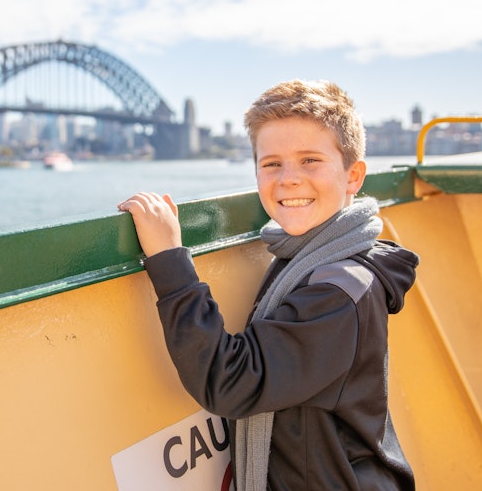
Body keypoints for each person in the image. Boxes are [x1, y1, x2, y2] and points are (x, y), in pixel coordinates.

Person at [117, 79, 418, 490]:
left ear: (353, 176)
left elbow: (231, 382)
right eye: (271, 163)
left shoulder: (341, 292)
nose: (288, 179)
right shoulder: (313, 256)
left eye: (310, 160)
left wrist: (168, 257)